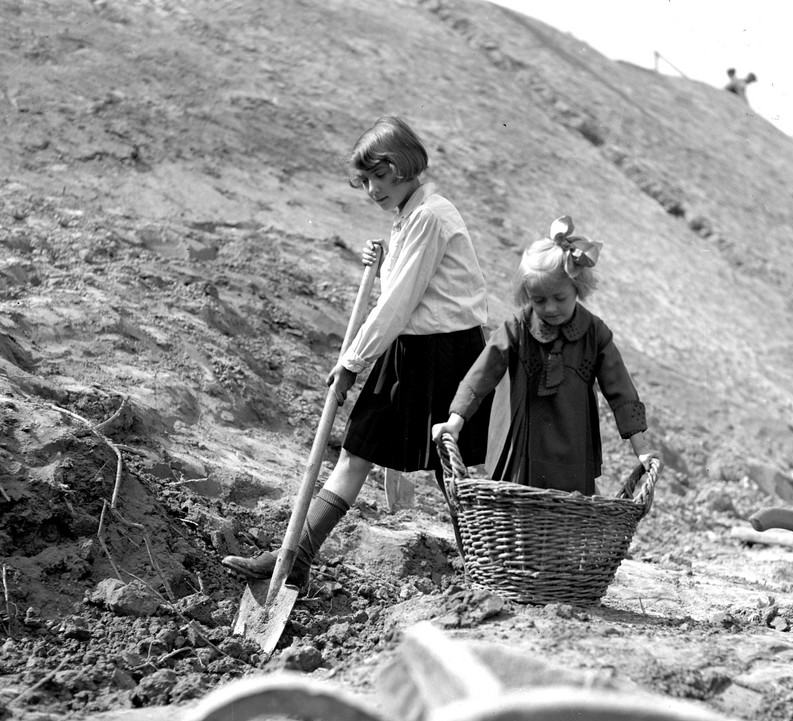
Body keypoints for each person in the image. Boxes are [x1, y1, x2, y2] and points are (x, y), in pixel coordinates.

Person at [222, 115, 492, 590]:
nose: (369, 190)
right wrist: (386, 260)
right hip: (410, 348)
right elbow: (406, 289)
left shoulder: (430, 215)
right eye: (364, 181)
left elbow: (399, 301)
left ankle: (488, 570)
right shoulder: (410, 214)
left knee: (455, 469)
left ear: (401, 167)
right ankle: (295, 557)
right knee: (356, 452)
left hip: (446, 353)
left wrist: (352, 361)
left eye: (375, 178)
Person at [432, 216, 659, 495]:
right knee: (517, 507)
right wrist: (455, 422)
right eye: (538, 300)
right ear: (527, 294)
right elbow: (481, 375)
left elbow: (620, 391)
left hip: (573, 443)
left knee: (569, 509)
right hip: (522, 444)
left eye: (559, 298)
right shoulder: (516, 328)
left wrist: (641, 449)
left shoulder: (595, 333)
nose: (550, 308)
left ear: (578, 288)